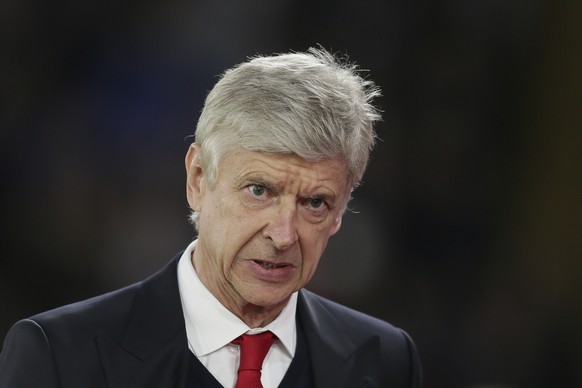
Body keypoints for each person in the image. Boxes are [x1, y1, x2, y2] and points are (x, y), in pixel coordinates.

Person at [0, 47, 422, 388]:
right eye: (259, 191)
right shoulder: (61, 356)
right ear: (199, 179)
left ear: (340, 213)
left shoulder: (385, 361)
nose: (283, 235)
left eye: (315, 203)